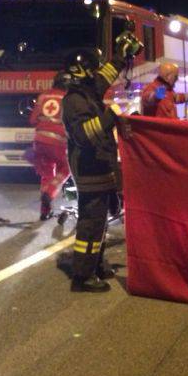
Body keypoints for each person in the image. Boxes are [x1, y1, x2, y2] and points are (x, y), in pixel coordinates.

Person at [63, 33, 142, 292]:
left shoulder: (87, 90)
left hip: (99, 166)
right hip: (88, 169)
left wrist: (123, 55)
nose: (97, 74)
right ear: (83, 71)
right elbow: (84, 135)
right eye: (92, 69)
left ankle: (96, 265)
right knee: (91, 222)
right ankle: (82, 276)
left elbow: (105, 76)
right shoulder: (75, 101)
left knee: (101, 220)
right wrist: (110, 117)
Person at [29, 71, 71, 221]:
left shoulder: (43, 96)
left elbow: (33, 120)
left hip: (39, 142)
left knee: (46, 175)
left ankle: (44, 211)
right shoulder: (68, 99)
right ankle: (50, 192)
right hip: (58, 142)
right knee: (66, 169)